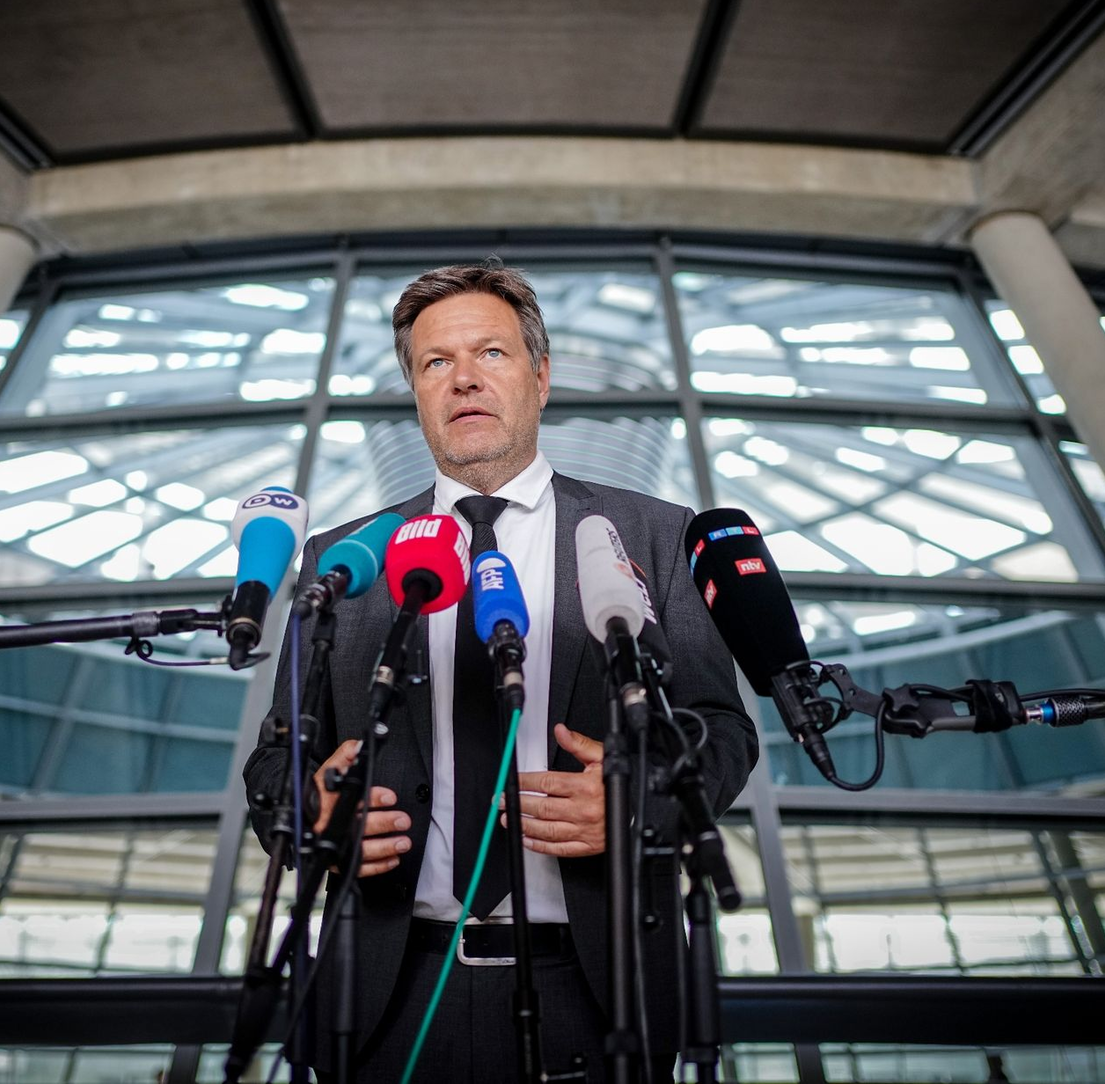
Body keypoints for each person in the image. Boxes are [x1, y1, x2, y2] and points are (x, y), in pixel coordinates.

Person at [244, 263, 757, 1082]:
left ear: (541, 377)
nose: (465, 379)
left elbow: (722, 730)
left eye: (492, 352)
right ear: (416, 391)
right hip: (383, 992)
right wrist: (310, 806)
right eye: (435, 363)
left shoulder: (654, 535)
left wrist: (638, 803)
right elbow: (274, 762)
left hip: (598, 985)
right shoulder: (344, 557)